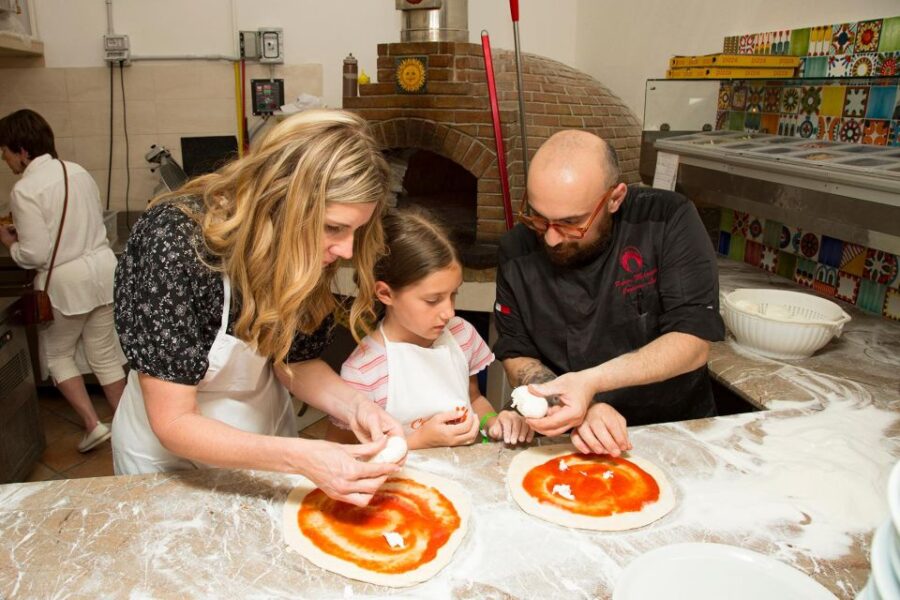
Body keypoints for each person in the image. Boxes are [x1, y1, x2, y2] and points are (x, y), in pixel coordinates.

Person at [111, 109, 404, 507]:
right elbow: (174, 420)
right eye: (334, 227)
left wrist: (358, 407)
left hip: (266, 449)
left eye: (356, 231)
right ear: (280, 202)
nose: (347, 250)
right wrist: (301, 456)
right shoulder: (175, 241)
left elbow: (297, 361)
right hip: (169, 465)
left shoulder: (306, 249)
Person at [493, 130, 725, 456]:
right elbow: (517, 351)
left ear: (614, 198)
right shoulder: (515, 250)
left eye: (571, 223)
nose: (551, 239)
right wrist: (574, 405)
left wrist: (590, 385)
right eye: (540, 219)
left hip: (673, 429)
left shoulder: (667, 220)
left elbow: (692, 341)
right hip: (566, 436)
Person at [329, 209, 533, 448]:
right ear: (385, 293)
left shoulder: (462, 336)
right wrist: (418, 441)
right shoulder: (364, 371)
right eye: (433, 300)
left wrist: (492, 422)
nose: (449, 312)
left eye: (453, 294)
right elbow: (345, 450)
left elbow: (474, 398)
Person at [0, 109, 126, 453]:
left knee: (56, 354)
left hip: (66, 283)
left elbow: (37, 253)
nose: (5, 159)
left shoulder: (24, 190)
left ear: (22, 150)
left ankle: (92, 424)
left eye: (6, 152)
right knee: (104, 353)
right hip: (103, 272)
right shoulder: (78, 172)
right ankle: (130, 423)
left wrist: (12, 245)